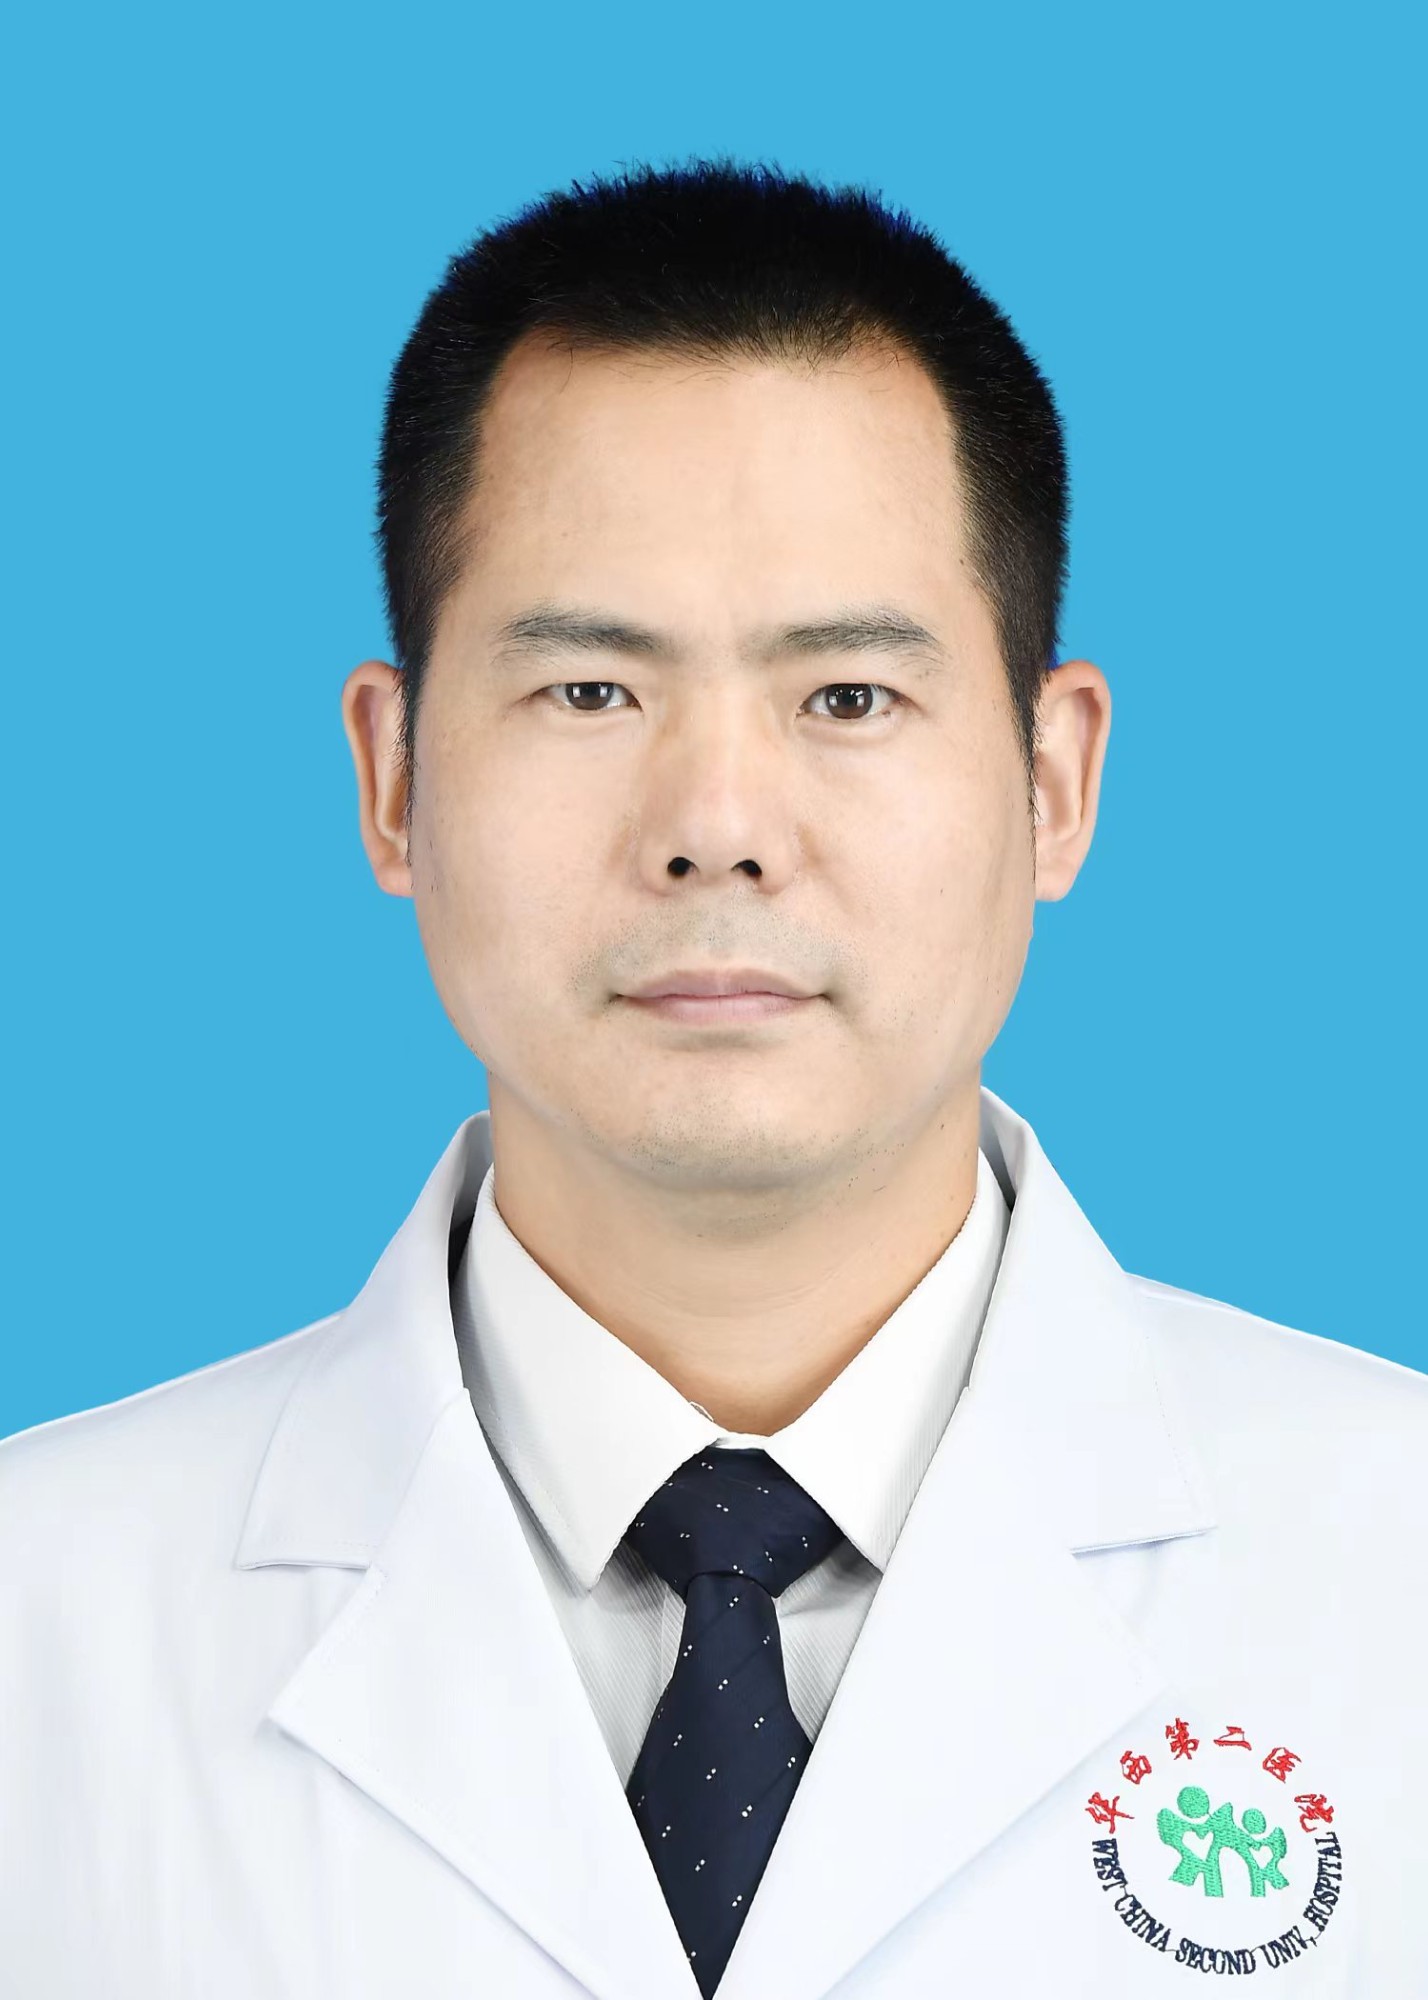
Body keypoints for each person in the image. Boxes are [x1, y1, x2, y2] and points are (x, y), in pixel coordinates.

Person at [1, 158, 1423, 2000]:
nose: (719, 827)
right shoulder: (42, 1618)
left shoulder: (1396, 1566)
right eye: (591, 692)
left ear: (1054, 783)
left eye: (848, 697)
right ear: (396, 782)